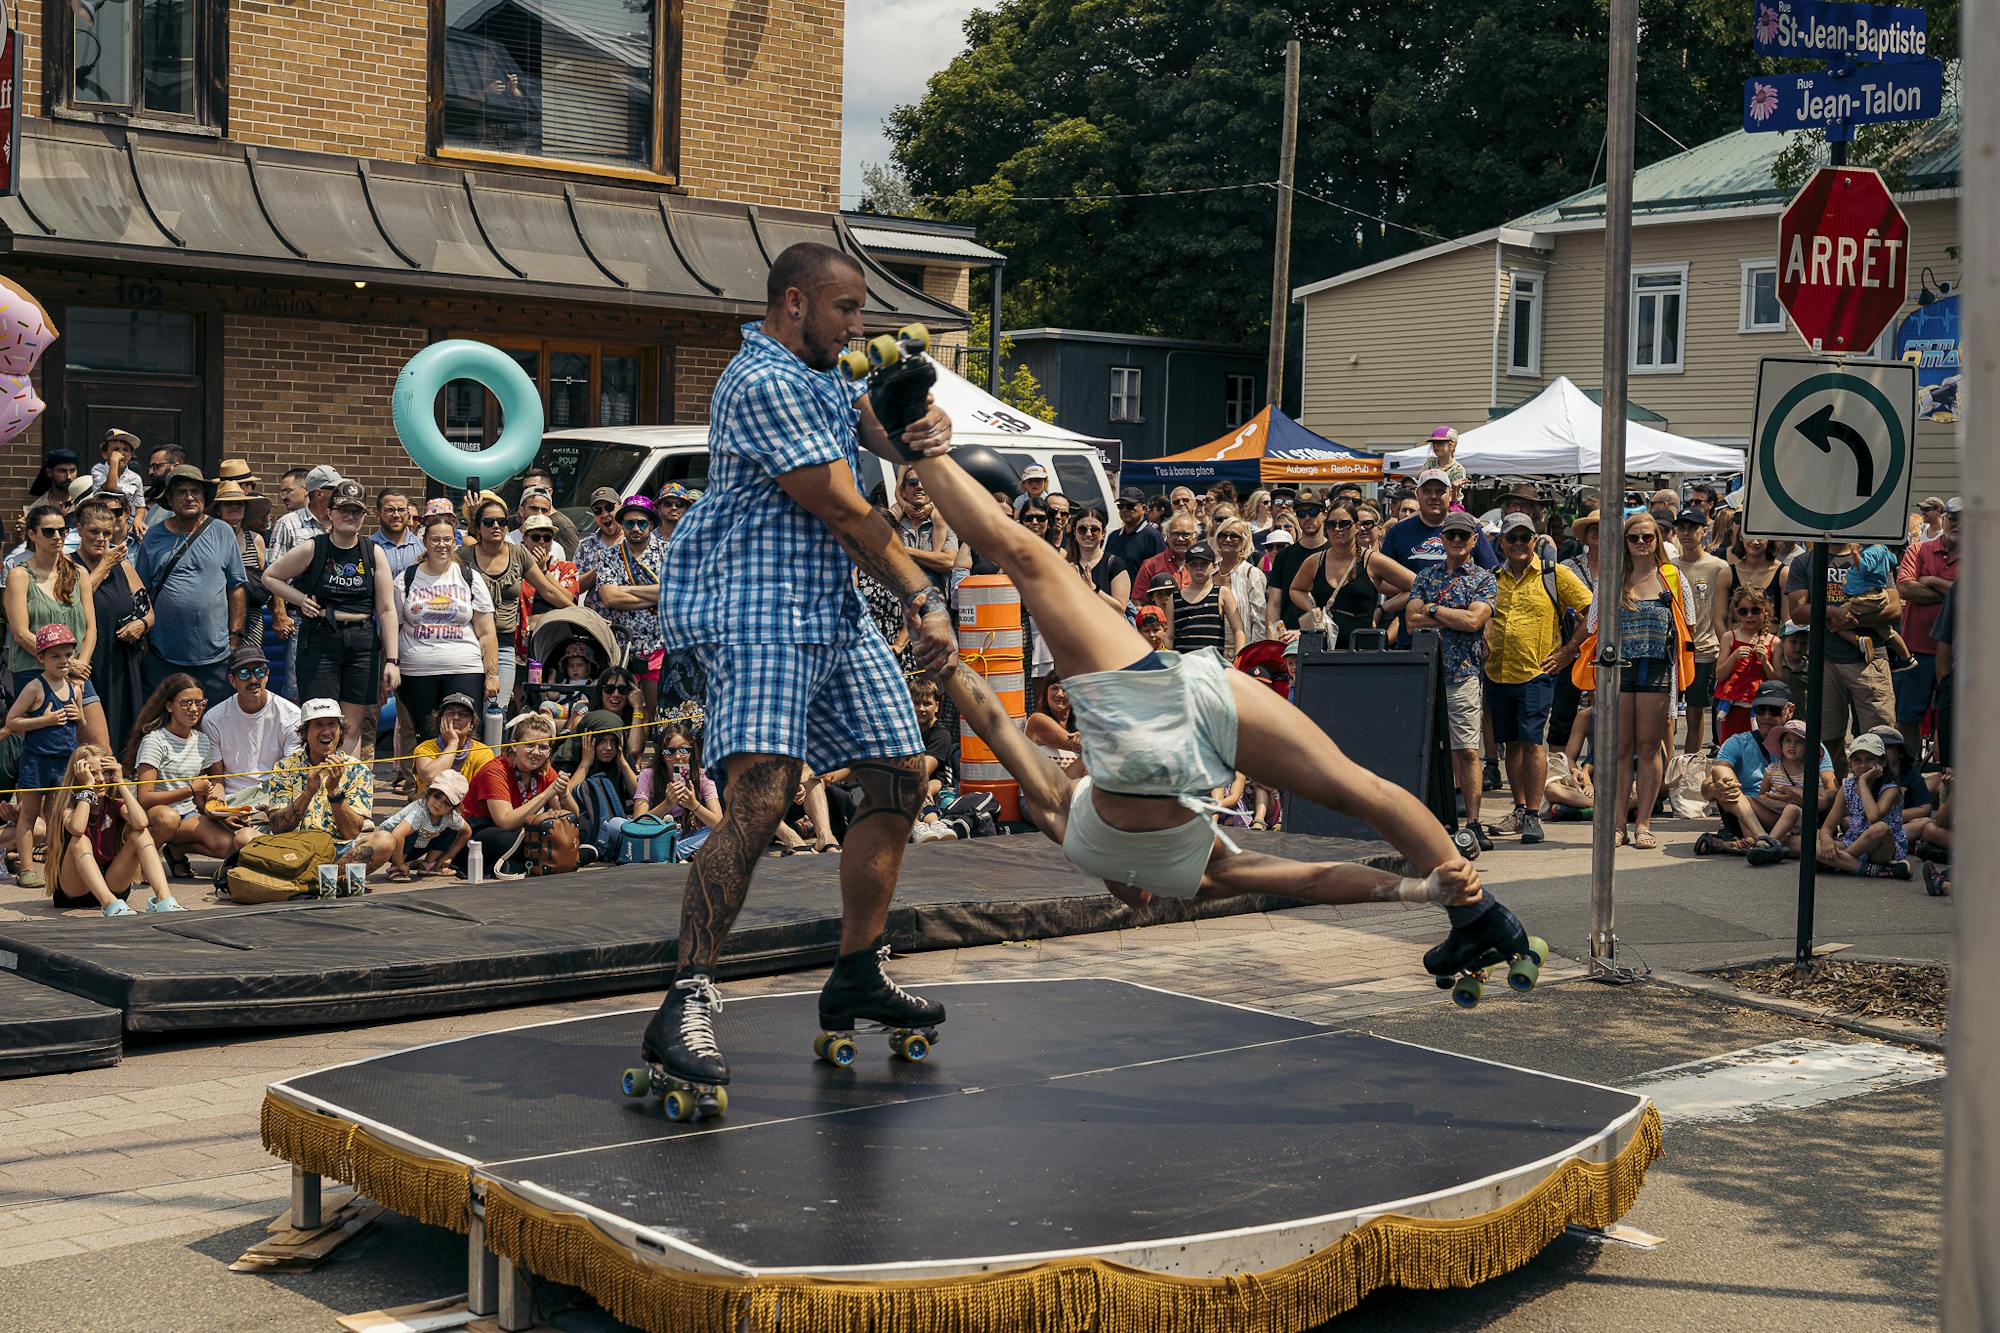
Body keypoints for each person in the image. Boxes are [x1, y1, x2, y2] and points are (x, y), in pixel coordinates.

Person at [895, 441, 1501, 974]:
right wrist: (948, 667)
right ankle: (1479, 912)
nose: (1132, 902)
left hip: (1155, 710)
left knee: (1030, 563)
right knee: (1358, 786)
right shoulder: (1148, 855)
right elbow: (995, 724)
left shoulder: (1145, 856)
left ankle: (1474, 913)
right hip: (1179, 694)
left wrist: (1414, 891)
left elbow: (1315, 881)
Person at [642, 241, 958, 1101]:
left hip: (828, 605)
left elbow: (873, 433)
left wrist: (920, 429)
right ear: (794, 303)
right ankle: (686, 999)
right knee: (764, 794)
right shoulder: (763, 380)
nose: (858, 325)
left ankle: (857, 970)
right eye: (846, 308)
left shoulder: (819, 371)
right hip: (758, 605)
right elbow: (846, 508)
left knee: (901, 772)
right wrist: (923, 597)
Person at [1480, 512, 1592, 845]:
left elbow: (1592, 612)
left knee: (1531, 742)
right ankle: (1519, 809)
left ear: (1534, 541)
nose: (1518, 544)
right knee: (1512, 744)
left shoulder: (1554, 574)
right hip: (1497, 672)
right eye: (1511, 538)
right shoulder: (1491, 578)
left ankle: (1532, 813)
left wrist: (1569, 651)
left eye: (1524, 538)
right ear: (1501, 543)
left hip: (1536, 672)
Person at [1585, 511, 1693, 850]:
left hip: (1657, 668)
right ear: (1624, 542)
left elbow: (1688, 622)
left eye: (1648, 537)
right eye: (1634, 538)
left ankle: (1643, 822)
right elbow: (1592, 624)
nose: (1642, 542)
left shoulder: (1672, 577)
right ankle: (1618, 823)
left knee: (1649, 747)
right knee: (1620, 749)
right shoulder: (1611, 577)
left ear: (1658, 540)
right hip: (1618, 669)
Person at [262, 479, 401, 744]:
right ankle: (320, 771)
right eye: (343, 509)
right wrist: (300, 599)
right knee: (320, 721)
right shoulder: (314, 547)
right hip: (320, 637)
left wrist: (392, 661)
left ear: (364, 516)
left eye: (356, 511)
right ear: (330, 512)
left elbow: (386, 609)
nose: (349, 516)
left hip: (362, 641)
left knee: (352, 727)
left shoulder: (373, 552)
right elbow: (270, 576)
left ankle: (348, 773)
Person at [1406, 510, 1499, 849]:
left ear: (1474, 540)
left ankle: (1472, 823)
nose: (1456, 541)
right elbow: (1410, 622)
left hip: (1463, 674)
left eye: (1463, 536)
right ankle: (1425, 822)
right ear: (1441, 540)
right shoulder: (1425, 576)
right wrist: (1455, 617)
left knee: (1468, 752)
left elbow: (1475, 622)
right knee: (1426, 751)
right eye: (1451, 535)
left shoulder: (1484, 579)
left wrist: (1432, 610)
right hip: (1427, 675)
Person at [133, 465, 247, 706]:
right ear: (170, 500)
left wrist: (235, 636)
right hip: (162, 654)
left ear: (204, 497)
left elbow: (236, 587)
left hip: (215, 656)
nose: (189, 497)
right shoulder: (153, 536)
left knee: (214, 719)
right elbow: (140, 590)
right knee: (162, 718)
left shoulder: (222, 531)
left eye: (195, 491)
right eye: (181, 492)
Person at [127, 672, 253, 876]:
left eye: (200, 703)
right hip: (157, 814)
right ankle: (138, 863)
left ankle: (176, 850)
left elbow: (200, 796)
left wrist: (221, 816)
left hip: (188, 814)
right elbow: (144, 798)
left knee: (230, 846)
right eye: (186, 703)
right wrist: (191, 789)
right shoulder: (155, 741)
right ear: (170, 706)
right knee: (168, 819)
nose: (194, 709)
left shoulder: (202, 740)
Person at [458, 495, 574, 710]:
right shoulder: (463, 556)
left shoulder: (518, 554)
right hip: (469, 642)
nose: (496, 526)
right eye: (488, 522)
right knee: (468, 709)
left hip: (504, 643)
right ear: (478, 526)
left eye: (501, 522)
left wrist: (582, 613)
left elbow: (548, 590)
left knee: (497, 709)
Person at [7, 502, 106, 749]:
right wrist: (67, 663)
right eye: (49, 531)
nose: (57, 537)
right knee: (49, 752)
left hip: (77, 673)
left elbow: (91, 628)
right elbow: (20, 634)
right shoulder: (19, 575)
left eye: (62, 531)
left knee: (99, 750)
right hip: (34, 672)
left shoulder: (79, 573)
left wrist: (79, 666)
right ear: (32, 534)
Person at [5, 625, 97, 888]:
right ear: (40, 658)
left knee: (57, 815)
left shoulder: (75, 688)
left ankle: (56, 867)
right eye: (55, 656)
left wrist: (78, 715)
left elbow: (81, 722)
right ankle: (26, 869)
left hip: (63, 761)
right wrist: (43, 720)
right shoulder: (35, 687)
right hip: (37, 761)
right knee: (29, 814)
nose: (63, 661)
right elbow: (12, 721)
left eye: (68, 655)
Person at [1784, 539, 1898, 750]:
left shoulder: (1873, 554)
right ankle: (1835, 775)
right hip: (1824, 662)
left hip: (1870, 662)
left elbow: (1894, 609)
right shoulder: (1804, 561)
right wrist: (1832, 612)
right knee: (1826, 742)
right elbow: (1798, 613)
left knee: (1880, 741)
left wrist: (1849, 620)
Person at [394, 511, 498, 741]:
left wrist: (492, 674)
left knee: (465, 735)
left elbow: (487, 631)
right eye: (435, 539)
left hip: (465, 668)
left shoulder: (469, 577)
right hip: (417, 670)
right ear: (424, 542)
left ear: (455, 543)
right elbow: (393, 628)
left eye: (447, 539)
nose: (442, 545)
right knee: (426, 738)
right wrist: (390, 665)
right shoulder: (405, 579)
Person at [45, 746, 181, 915]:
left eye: (106, 772)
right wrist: (87, 787)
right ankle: (109, 904)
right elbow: (78, 829)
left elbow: (141, 822)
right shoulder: (69, 805)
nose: (101, 779)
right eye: (92, 773)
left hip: (112, 882)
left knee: (141, 833)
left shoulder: (113, 804)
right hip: (76, 888)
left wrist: (120, 782)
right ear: (79, 776)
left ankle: (164, 899)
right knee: (80, 839)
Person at [71, 497, 149, 750]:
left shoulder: (123, 566)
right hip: (88, 659)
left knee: (125, 727)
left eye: (107, 533)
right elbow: (73, 603)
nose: (101, 538)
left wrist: (141, 625)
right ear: (79, 529)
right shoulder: (68, 566)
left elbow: (148, 611)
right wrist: (104, 565)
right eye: (94, 531)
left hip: (122, 660)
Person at [464, 712, 580, 875]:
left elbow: (572, 820)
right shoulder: (495, 771)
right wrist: (547, 794)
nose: (536, 752)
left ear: (549, 751)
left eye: (543, 747)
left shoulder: (545, 770)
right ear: (514, 745)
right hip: (481, 832)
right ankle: (567, 856)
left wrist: (563, 793)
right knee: (509, 840)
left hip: (520, 834)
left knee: (571, 832)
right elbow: (505, 821)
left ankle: (550, 858)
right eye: (529, 745)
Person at [589, 495, 669, 727]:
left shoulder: (668, 552)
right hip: (622, 648)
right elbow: (610, 598)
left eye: (642, 523)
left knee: (657, 716)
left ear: (651, 524)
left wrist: (627, 589)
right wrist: (654, 594)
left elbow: (672, 593)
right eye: (630, 523)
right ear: (622, 525)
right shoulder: (610, 555)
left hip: (660, 645)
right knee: (623, 715)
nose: (636, 528)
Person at [1289, 501, 1411, 648]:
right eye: (1331, 524)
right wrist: (1313, 609)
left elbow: (1417, 585)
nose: (1337, 529)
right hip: (1324, 649)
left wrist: (1383, 609)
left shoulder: (1372, 560)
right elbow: (1296, 589)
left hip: (1362, 649)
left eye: (1344, 524)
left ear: (1357, 527)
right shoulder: (1315, 561)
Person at [267, 464, 338, 700]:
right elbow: (274, 572)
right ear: (320, 493)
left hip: (335, 616)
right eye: (335, 490)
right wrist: (279, 613)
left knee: (331, 683)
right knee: (296, 685)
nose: (340, 495)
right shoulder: (288, 523)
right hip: (300, 615)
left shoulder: (339, 523)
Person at [263, 699, 374, 848]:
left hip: (338, 848)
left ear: (340, 731)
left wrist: (334, 792)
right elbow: (278, 828)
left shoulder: (358, 770)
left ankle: (330, 865)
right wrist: (308, 792)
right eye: (318, 725)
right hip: (293, 848)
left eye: (332, 724)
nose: (326, 732)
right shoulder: (285, 768)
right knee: (245, 836)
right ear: (305, 732)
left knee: (384, 841)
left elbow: (352, 833)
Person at [198, 643, 301, 801]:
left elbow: (290, 775)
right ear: (232, 680)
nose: (253, 680)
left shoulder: (292, 715)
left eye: (259, 672)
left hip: (276, 794)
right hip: (232, 798)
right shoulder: (213, 719)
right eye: (244, 674)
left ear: (267, 675)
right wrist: (217, 804)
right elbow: (217, 779)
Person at [1894, 496, 1958, 732]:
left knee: (1950, 718)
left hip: (1956, 654)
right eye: (1953, 519)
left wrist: (1929, 580)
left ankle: (1943, 757)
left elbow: (1973, 594)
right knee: (1907, 719)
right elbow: (1905, 588)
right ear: (1944, 518)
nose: (1958, 525)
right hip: (1915, 651)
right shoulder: (1918, 549)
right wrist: (1954, 591)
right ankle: (1910, 758)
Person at [1812, 732, 1912, 879]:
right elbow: (1827, 827)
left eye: (1870, 759)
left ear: (1883, 762)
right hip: (1854, 841)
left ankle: (1839, 862)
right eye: (1857, 760)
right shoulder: (1847, 787)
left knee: (1880, 827)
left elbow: (1873, 817)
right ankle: (1871, 869)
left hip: (1882, 848)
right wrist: (1827, 842)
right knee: (1811, 847)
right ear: (1851, 764)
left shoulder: (1890, 789)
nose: (1863, 765)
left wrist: (1863, 782)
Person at [1671, 507, 1730, 753]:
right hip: (1672, 650)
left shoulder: (1718, 567)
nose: (1686, 533)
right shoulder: (1669, 566)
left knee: (1695, 713)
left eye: (1692, 528)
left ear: (1703, 531)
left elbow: (1724, 611)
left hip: (1703, 649)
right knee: (1667, 714)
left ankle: (1690, 761)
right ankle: (1667, 763)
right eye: (1681, 528)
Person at [344, 771, 472, 882]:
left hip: (417, 845)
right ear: (429, 793)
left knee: (451, 829)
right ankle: (397, 868)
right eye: (437, 797)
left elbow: (467, 832)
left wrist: (449, 855)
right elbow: (398, 834)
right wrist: (400, 863)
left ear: (453, 808)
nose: (439, 804)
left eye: (447, 803)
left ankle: (429, 864)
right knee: (411, 831)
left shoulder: (450, 816)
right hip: (391, 847)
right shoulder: (420, 812)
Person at [636, 724, 722, 861]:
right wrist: (667, 803)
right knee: (616, 824)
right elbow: (638, 822)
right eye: (669, 751)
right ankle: (680, 853)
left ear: (691, 751)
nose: (677, 756)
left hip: (691, 835)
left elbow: (719, 824)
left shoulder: (703, 777)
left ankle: (675, 853)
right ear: (661, 754)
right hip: (659, 834)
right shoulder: (648, 775)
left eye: (683, 750)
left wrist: (694, 805)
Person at [1711, 589, 1781, 744]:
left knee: (1759, 748)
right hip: (1732, 707)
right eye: (1744, 611)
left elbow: (1778, 682)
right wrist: (1734, 657)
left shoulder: (1773, 642)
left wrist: (1765, 662)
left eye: (1755, 610)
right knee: (1731, 748)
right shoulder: (1729, 637)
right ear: (1737, 612)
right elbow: (1720, 675)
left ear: (1765, 611)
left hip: (1761, 710)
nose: (1750, 615)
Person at [1264, 497, 1329, 638]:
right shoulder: (1283, 556)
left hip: (1326, 637)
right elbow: (1274, 605)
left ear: (1324, 514)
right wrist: (1275, 639)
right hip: (1288, 639)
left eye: (1313, 512)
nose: (1307, 518)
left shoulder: (1333, 553)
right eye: (1301, 513)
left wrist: (1303, 633)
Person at [1168, 542, 1241, 657]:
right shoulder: (1174, 598)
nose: (1199, 568)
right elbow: (1169, 636)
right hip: (1184, 664)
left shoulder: (1222, 593)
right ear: (1186, 567)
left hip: (1212, 664)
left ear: (1213, 566)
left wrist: (1239, 659)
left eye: (1204, 564)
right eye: (1194, 564)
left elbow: (1238, 629)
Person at [412, 692, 496, 787]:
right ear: (440, 721)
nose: (456, 718)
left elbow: (483, 788)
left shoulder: (483, 752)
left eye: (463, 715)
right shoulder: (425, 748)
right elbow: (431, 778)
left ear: (471, 725)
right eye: (451, 713)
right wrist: (452, 744)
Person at [1063, 506, 1131, 615]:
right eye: (1082, 529)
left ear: (1103, 533)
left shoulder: (1115, 564)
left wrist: (1093, 588)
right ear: (1075, 532)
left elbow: (1120, 608)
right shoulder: (1066, 563)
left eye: (1094, 529)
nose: (1088, 534)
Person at [1210, 516, 1267, 648]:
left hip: (1241, 649)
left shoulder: (1252, 574)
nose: (1227, 539)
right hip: (1211, 649)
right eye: (1223, 535)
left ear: (1244, 542)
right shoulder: (1210, 572)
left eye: (1234, 536)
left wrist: (1253, 654)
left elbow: (1259, 620)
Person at [573, 486, 625, 614]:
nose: (604, 514)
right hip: (596, 620)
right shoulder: (586, 545)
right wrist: (598, 569)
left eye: (609, 508)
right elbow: (573, 586)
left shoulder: (634, 541)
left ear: (621, 507)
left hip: (630, 617)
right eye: (598, 511)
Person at [1134, 512, 1197, 597]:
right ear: (1167, 535)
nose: (1180, 539)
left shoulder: (1203, 565)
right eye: (1175, 534)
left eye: (1186, 534)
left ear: (1194, 536)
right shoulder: (1150, 566)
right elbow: (1138, 601)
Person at [91, 430, 148, 523]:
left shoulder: (135, 478)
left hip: (127, 520)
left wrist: (138, 520)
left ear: (131, 455)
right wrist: (114, 462)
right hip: (103, 517)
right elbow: (110, 488)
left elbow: (140, 506)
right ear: (104, 454)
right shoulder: (99, 469)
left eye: (126, 450)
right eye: (116, 450)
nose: (121, 453)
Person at [1107, 486, 1164, 571]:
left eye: (1130, 506)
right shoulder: (1113, 536)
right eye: (1120, 506)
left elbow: (1160, 569)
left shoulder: (1152, 536)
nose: (1124, 510)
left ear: (1143, 509)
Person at [371, 489, 422, 576]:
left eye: (401, 510)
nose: (396, 515)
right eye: (390, 510)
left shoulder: (422, 546)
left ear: (408, 513)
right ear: (377, 514)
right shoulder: (368, 548)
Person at [1421, 427, 1469, 499]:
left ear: (1452, 445)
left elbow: (1455, 497)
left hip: (1449, 503)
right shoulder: (1431, 461)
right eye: (1434, 443)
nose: (1436, 446)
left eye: (1440, 443)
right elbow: (1418, 476)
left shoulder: (1458, 469)